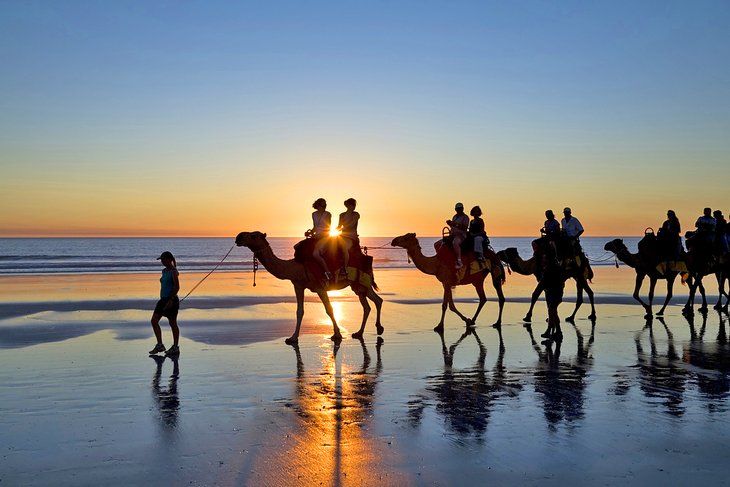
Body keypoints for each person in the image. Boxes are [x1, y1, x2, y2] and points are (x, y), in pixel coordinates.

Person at [149, 251, 181, 356]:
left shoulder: (173, 271)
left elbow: (177, 287)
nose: (162, 261)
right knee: (154, 321)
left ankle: (175, 347)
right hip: (162, 300)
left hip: (171, 300)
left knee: (172, 323)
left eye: (163, 259)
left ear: (169, 259)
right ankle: (160, 344)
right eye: (161, 259)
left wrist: (171, 300)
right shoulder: (164, 271)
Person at [309, 198, 333, 280]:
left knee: (315, 253)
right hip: (316, 236)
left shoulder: (328, 214)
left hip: (325, 237)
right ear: (318, 205)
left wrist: (320, 235)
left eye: (325, 205)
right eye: (323, 205)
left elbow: (328, 228)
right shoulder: (313, 214)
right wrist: (310, 232)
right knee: (297, 247)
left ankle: (328, 273)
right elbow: (315, 227)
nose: (325, 206)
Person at [336, 198, 360, 277]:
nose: (354, 206)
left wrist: (342, 228)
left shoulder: (356, 214)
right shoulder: (342, 215)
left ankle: (344, 268)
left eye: (354, 205)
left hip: (352, 237)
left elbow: (351, 225)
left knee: (344, 248)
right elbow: (339, 226)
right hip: (343, 236)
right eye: (352, 205)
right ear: (348, 205)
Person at [447, 202, 469, 269]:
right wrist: (450, 224)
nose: (458, 210)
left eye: (460, 208)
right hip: (453, 234)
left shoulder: (465, 217)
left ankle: (459, 261)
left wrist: (453, 224)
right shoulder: (455, 217)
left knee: (455, 243)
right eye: (457, 209)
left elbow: (464, 227)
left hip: (461, 235)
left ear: (462, 209)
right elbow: (453, 226)